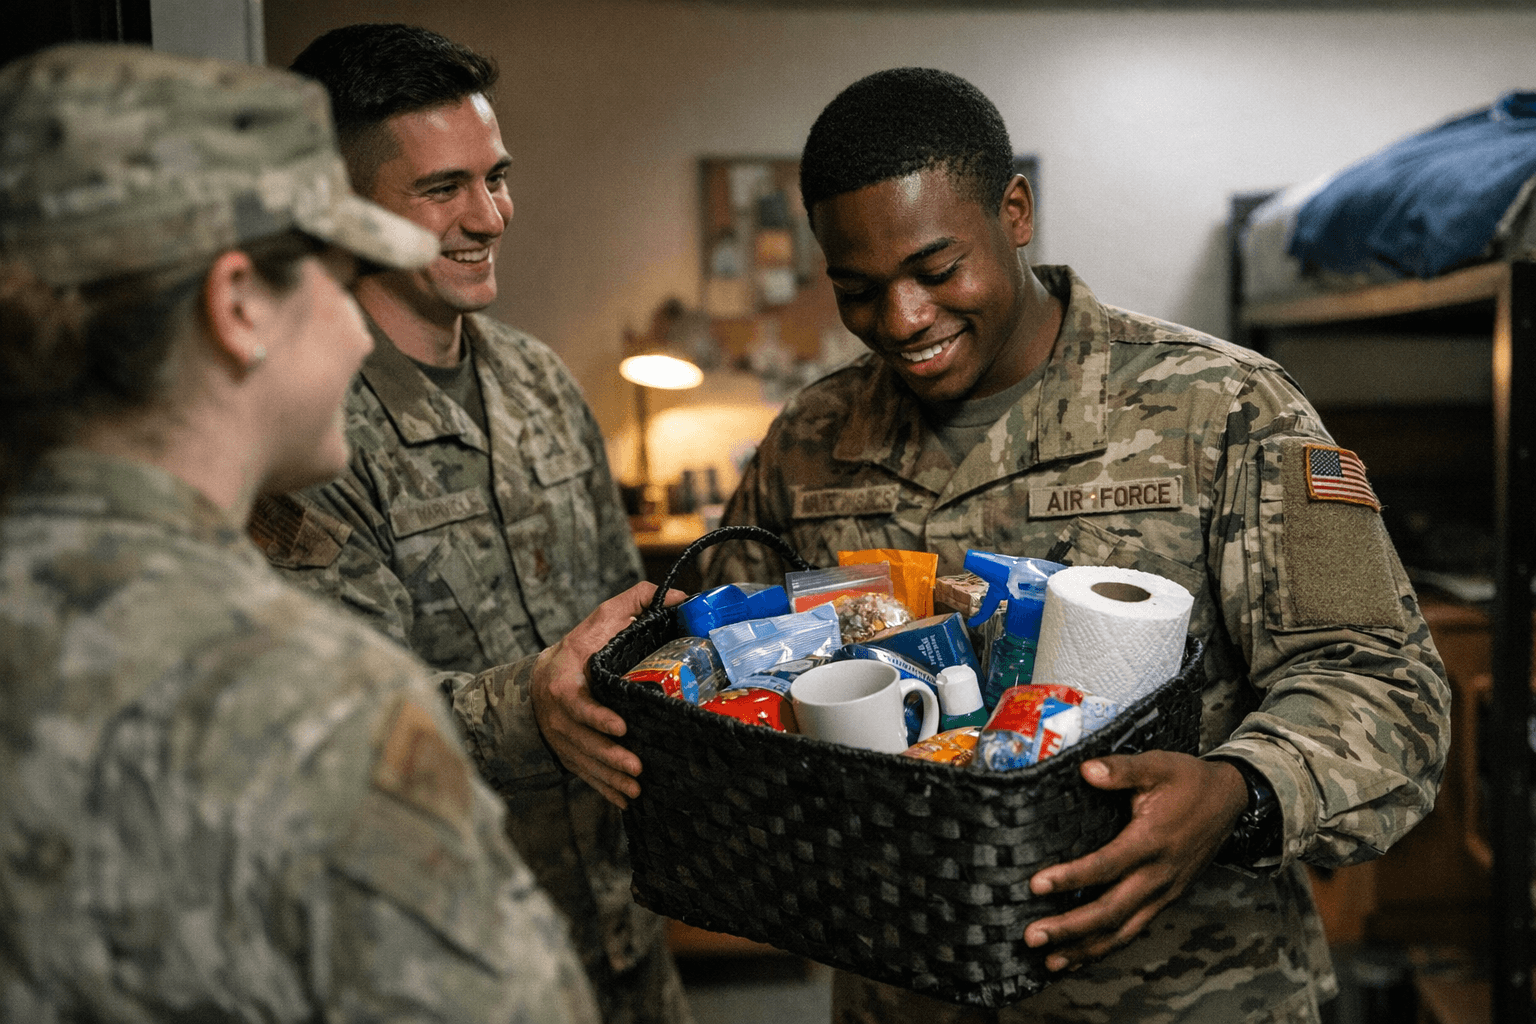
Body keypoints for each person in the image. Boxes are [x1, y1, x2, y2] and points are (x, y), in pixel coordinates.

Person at [702, 68, 1451, 1023]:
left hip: (1185, 993)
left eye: (937, 271)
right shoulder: (809, 440)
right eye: (858, 290)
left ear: (1015, 212)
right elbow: (723, 668)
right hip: (907, 990)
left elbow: (1387, 683)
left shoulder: (1228, 408)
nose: (902, 319)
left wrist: (1241, 791)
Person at [0, 42, 681, 1023]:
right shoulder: (318, 697)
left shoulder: (537, 378)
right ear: (238, 304)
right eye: (334, 272)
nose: (356, 323)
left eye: (495, 178)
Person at [248, 24, 690, 1024]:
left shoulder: (539, 378)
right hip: (449, 962)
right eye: (442, 188)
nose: (489, 216)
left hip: (622, 927)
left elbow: (625, 621)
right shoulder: (307, 428)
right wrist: (532, 704)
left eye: (497, 177)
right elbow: (334, 731)